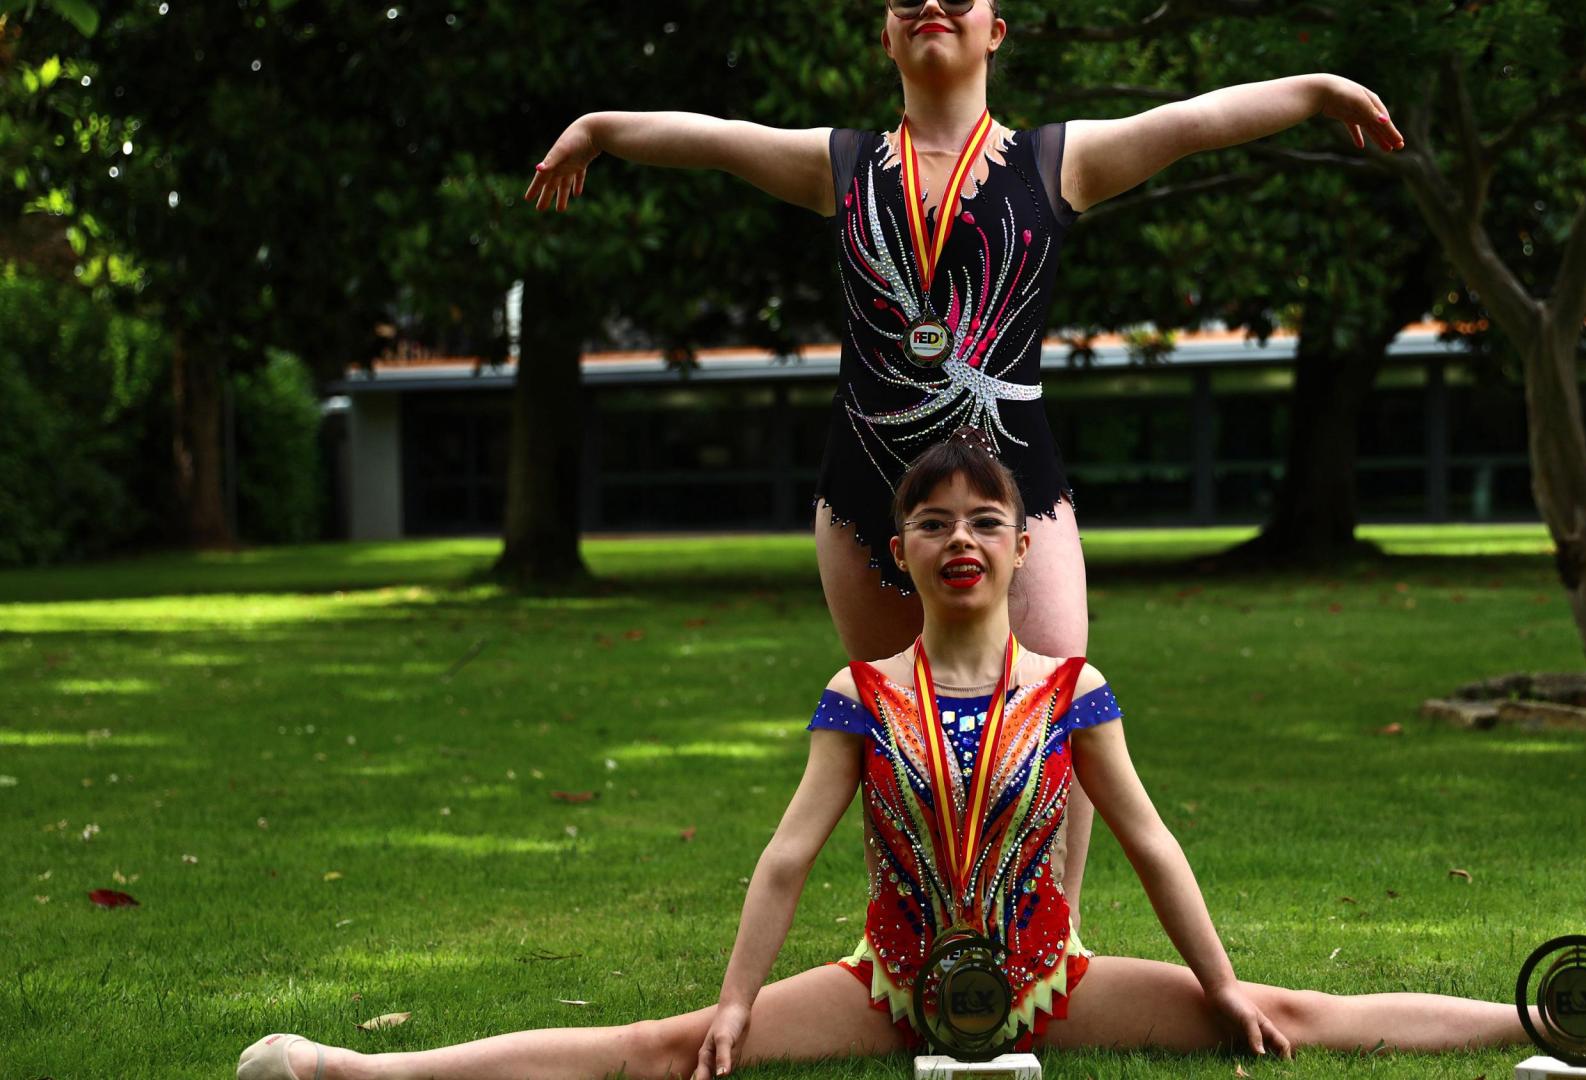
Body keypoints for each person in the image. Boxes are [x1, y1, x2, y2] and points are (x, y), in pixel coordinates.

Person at [237, 434, 1586, 1080]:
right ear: (905, 549)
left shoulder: (1072, 684)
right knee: (669, 1046)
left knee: (1293, 1014)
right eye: (928, 522)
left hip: (1050, 981)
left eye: (981, 521)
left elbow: (1146, 837)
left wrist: (1217, 978)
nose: (954, 540)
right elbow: (791, 852)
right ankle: (362, 1072)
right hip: (890, 985)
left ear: (1013, 546)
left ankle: (1582, 1020)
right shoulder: (856, 685)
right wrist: (741, 1003)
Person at [520, 0, 1409, 935]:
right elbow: (719, 140)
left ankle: (1051, 943)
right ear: (887, 35)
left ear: (997, 32)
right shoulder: (843, 165)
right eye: (908, 0)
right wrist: (598, 130)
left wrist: (1314, 90)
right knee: (887, 737)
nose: (932, 5)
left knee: (1057, 715)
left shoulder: (1056, 161)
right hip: (866, 493)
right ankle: (911, 944)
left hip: (1013, 489)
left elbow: (1189, 124)